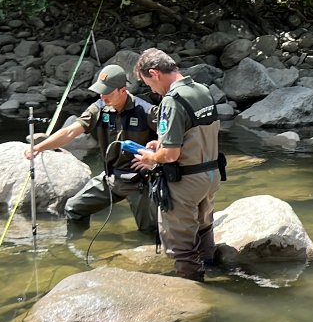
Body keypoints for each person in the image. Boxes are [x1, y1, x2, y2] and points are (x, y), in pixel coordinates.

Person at [26, 63, 159, 236]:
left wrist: (154, 157)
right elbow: (70, 131)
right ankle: (75, 246)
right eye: (101, 93)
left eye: (108, 93)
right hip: (111, 178)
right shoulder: (99, 108)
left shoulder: (146, 111)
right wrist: (38, 148)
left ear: (123, 91)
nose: (103, 97)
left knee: (149, 231)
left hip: (140, 183)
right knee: (74, 208)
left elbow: (172, 137)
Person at [130, 48, 222, 281]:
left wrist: (150, 157)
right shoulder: (201, 90)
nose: (150, 89)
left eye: (147, 83)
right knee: (203, 227)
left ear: (154, 73)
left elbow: (170, 155)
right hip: (211, 175)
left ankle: (193, 292)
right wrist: (159, 142)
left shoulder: (172, 101)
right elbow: (196, 134)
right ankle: (212, 271)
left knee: (180, 245)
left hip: (186, 181)